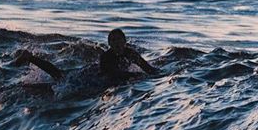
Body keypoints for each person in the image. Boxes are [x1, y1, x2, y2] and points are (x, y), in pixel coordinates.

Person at [13, 28, 159, 84]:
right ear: (109, 43)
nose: (117, 43)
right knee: (60, 76)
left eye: (119, 40)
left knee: (59, 76)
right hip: (90, 75)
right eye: (113, 41)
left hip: (98, 75)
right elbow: (112, 74)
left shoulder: (131, 53)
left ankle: (30, 58)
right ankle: (30, 57)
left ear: (125, 41)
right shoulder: (106, 57)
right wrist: (132, 76)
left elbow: (148, 68)